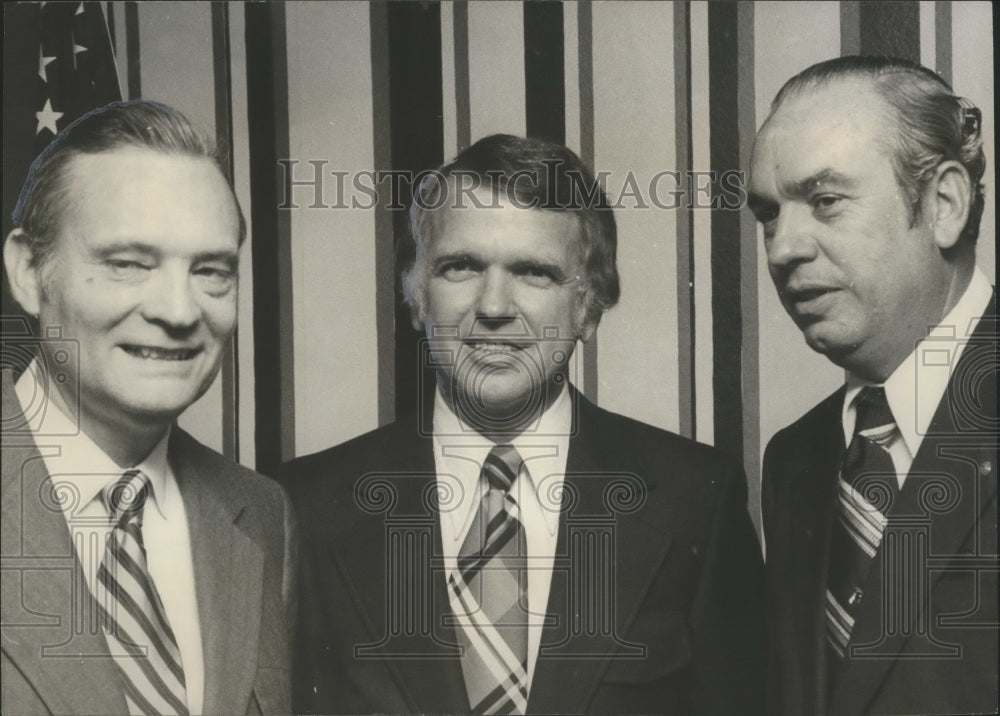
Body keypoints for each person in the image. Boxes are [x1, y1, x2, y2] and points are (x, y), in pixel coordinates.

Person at [281, 134, 765, 714]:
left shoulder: (695, 500)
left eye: (534, 273)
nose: (492, 308)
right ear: (416, 297)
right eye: (460, 267)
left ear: (588, 307)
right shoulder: (300, 507)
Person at [1, 100, 295, 715]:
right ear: (29, 270)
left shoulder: (262, 514)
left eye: (211, 272)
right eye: (130, 264)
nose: (180, 312)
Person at [749, 56, 997, 715]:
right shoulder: (796, 458)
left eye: (825, 201)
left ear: (943, 204)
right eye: (769, 215)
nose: (780, 249)